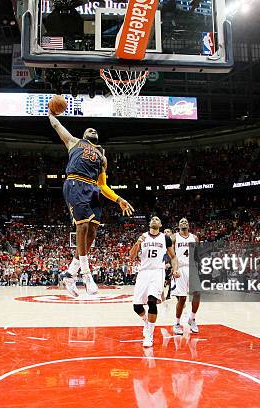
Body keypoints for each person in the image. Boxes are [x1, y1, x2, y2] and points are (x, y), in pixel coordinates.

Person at [49, 112, 134, 298]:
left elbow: (103, 185)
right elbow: (56, 126)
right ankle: (87, 275)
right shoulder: (73, 142)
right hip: (75, 183)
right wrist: (50, 113)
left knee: (94, 230)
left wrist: (119, 199)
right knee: (83, 226)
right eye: (89, 129)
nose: (92, 129)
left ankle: (70, 273)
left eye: (94, 129)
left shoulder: (102, 156)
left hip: (93, 189)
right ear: (84, 135)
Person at [129, 216, 178, 348]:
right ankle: (146, 322)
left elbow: (173, 257)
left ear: (160, 224)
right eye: (153, 219)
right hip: (143, 272)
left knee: (152, 301)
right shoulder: (143, 237)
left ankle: (149, 336)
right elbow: (131, 256)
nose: (155, 220)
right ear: (149, 223)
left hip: (157, 271)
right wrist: (137, 243)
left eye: (157, 219)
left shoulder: (165, 238)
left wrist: (175, 269)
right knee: (137, 306)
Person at [171, 218, 201, 335]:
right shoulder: (174, 237)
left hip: (192, 267)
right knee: (182, 298)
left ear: (189, 225)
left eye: (186, 222)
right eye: (181, 222)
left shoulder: (194, 238)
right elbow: (171, 254)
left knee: (197, 293)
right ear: (178, 225)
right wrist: (174, 269)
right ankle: (177, 323)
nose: (184, 222)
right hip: (180, 268)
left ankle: (192, 319)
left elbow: (197, 255)